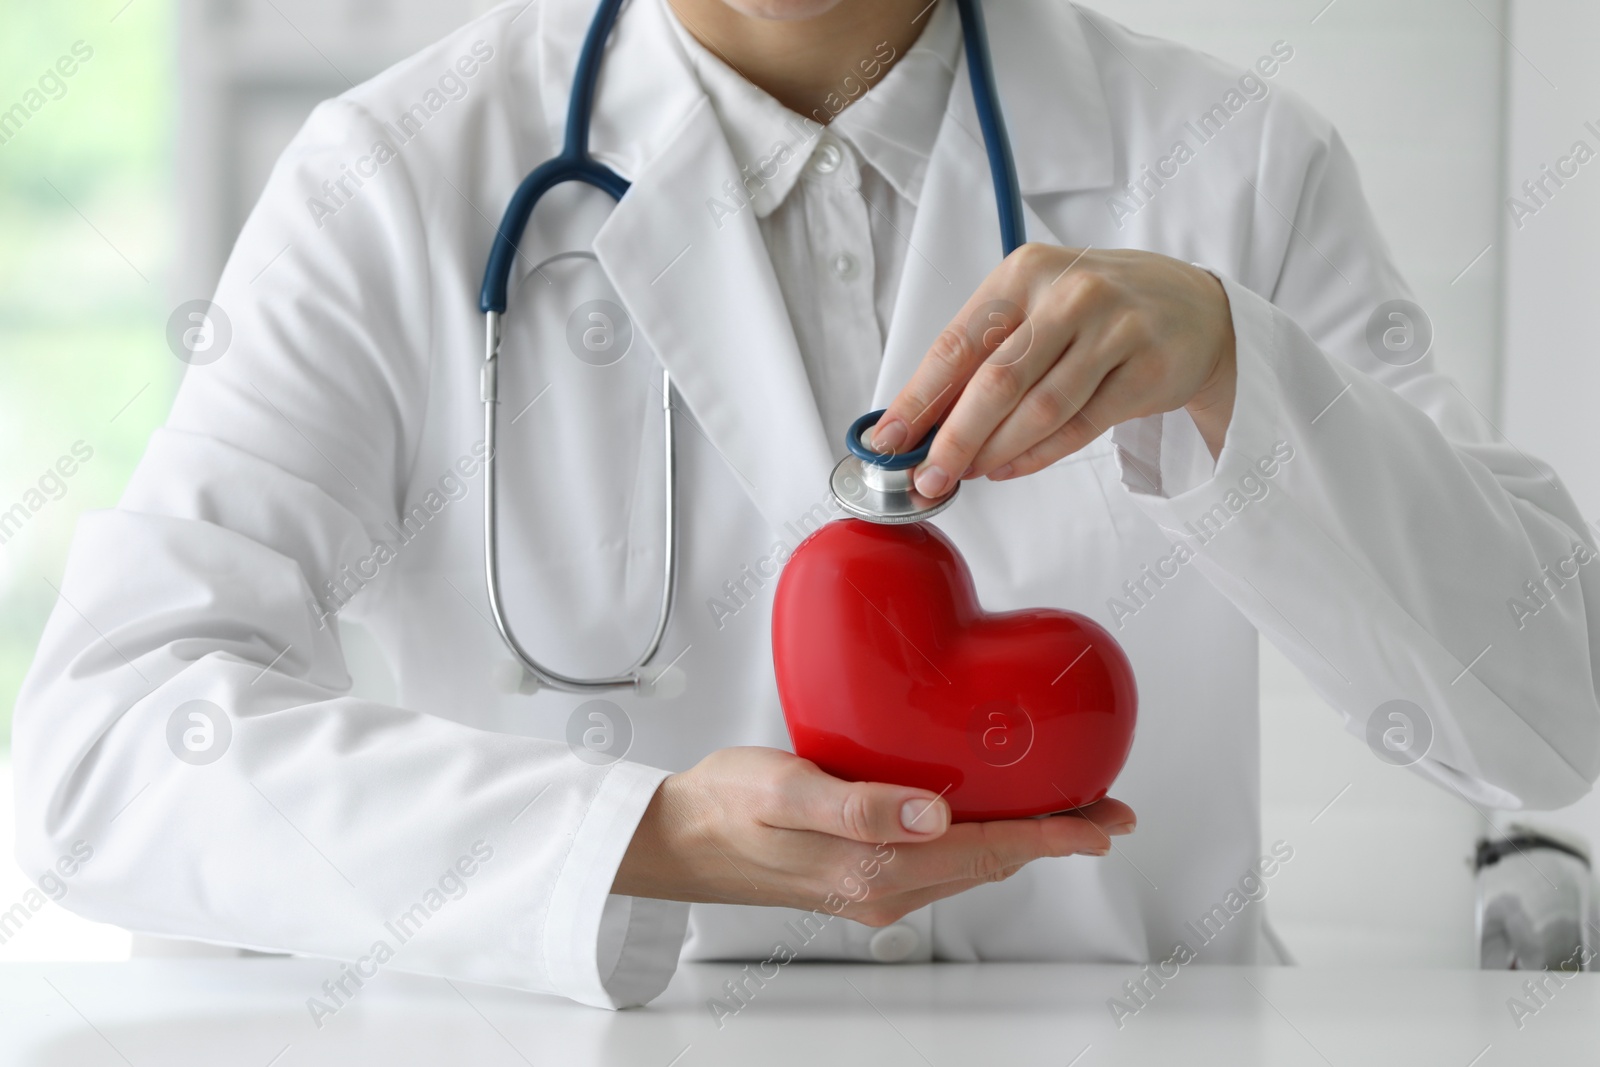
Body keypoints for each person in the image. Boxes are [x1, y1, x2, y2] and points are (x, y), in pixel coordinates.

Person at [14, 0, 1599, 1011]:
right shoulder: (393, 183)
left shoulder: (1232, 166)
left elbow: (1547, 715)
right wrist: (631, 837)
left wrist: (1234, 370)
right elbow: (106, 752)